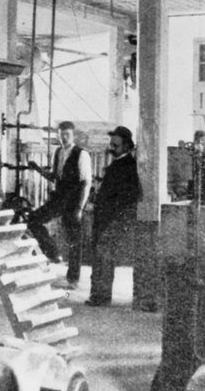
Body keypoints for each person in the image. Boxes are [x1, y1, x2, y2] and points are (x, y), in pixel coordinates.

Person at [27, 121, 92, 285]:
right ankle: (53, 253)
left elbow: (86, 183)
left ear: (73, 135)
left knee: (74, 240)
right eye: (61, 134)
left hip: (74, 201)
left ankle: (73, 279)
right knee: (33, 219)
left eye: (67, 134)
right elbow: (55, 177)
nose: (64, 137)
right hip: (59, 198)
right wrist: (37, 169)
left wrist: (79, 208)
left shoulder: (82, 154)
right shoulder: (58, 152)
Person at [86, 126, 142, 308]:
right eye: (111, 144)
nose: (111, 148)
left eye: (116, 146)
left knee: (104, 256)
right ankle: (99, 295)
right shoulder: (118, 164)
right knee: (102, 256)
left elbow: (129, 196)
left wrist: (109, 209)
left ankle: (100, 296)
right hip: (106, 217)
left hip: (112, 219)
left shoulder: (127, 165)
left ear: (126, 146)